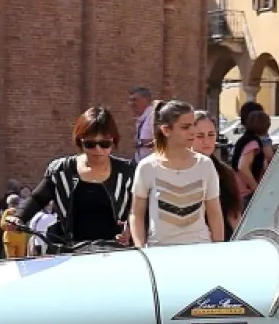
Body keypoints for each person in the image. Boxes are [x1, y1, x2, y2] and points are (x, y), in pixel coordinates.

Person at [15, 106, 135, 248]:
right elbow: (37, 198)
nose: (98, 150)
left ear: (113, 141)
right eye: (90, 144)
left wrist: (130, 229)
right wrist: (18, 218)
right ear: (80, 141)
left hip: (114, 253)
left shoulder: (128, 173)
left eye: (104, 143)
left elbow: (140, 211)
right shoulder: (61, 170)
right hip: (69, 252)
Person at [131, 101, 224, 246]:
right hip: (160, 252)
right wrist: (140, 247)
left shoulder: (205, 164)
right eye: (185, 127)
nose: (192, 131)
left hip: (200, 249)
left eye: (193, 124)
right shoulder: (147, 167)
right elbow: (136, 214)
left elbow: (214, 212)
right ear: (166, 130)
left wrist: (219, 248)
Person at [191, 109, 245, 230]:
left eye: (211, 134)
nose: (207, 141)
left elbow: (234, 214)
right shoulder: (179, 172)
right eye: (200, 136)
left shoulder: (225, 173)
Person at [229, 103, 274, 200]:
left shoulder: (246, 139)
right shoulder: (253, 142)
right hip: (246, 193)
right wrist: (257, 190)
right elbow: (242, 167)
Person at [127, 85, 157, 162]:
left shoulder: (153, 116)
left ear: (145, 100)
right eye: (130, 100)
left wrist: (139, 143)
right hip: (139, 161)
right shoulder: (142, 118)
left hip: (151, 165)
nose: (131, 103)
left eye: (134, 100)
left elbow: (165, 140)